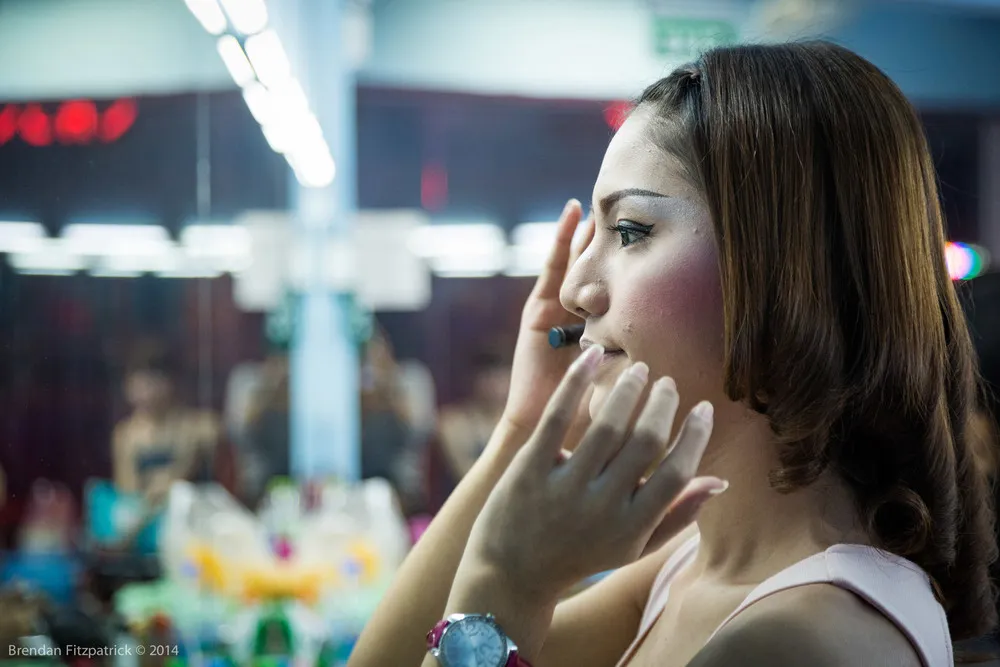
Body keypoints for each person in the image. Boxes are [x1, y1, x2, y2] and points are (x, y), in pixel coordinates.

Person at [349, 41, 997, 667]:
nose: (573, 291)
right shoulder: (698, 561)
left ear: (782, 272)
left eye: (630, 231)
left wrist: (505, 581)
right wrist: (527, 427)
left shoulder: (797, 642)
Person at [111, 342, 222, 517]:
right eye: (138, 383)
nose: (145, 392)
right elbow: (127, 493)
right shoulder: (126, 435)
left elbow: (216, 434)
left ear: (170, 382)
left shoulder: (196, 425)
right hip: (147, 520)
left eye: (152, 381)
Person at [438, 349, 512, 481]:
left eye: (500, 377)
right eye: (488, 377)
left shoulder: (524, 421)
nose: (495, 385)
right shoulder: (452, 423)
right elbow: (465, 476)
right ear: (473, 380)